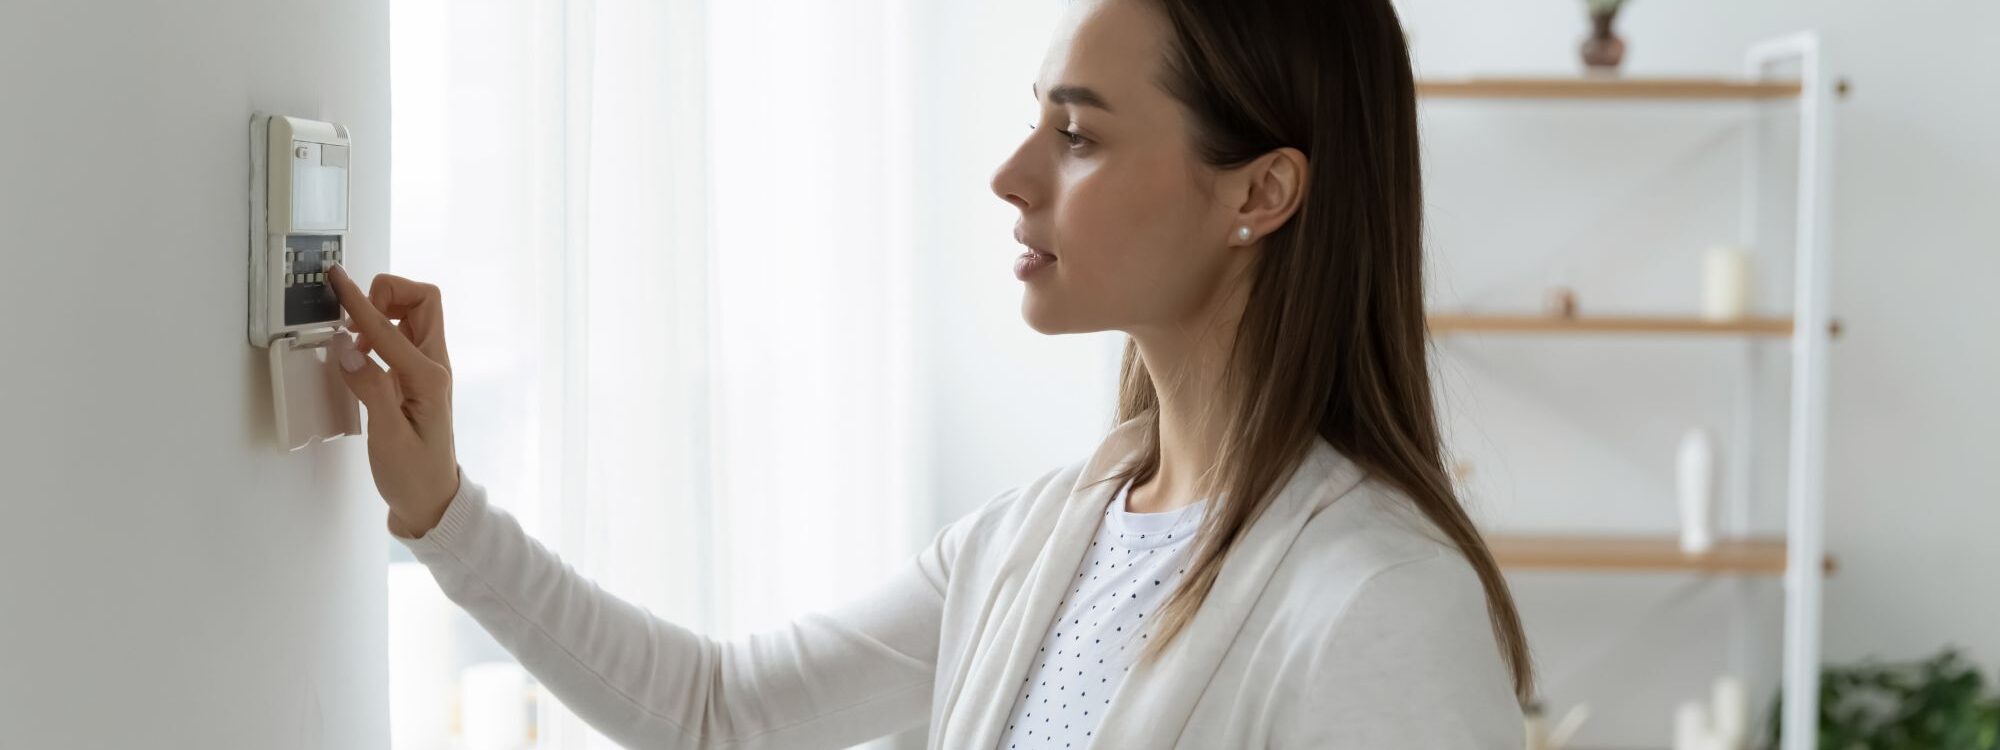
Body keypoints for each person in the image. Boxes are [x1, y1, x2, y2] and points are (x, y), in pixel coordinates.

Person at [327, 0, 1533, 746]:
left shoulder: (1379, 605)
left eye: (1078, 133)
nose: (1012, 174)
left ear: (1259, 193)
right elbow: (716, 715)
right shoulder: (1033, 543)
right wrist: (440, 510)